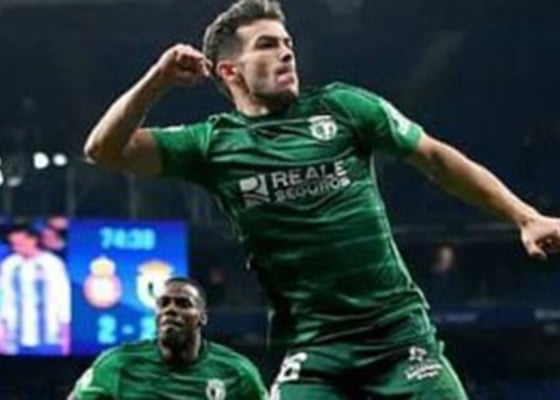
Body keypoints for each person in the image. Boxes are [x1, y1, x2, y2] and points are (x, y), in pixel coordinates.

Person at [82, 0, 560, 398]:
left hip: (400, 338)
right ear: (230, 70)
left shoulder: (344, 107)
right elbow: (103, 150)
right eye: (267, 45)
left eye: (287, 43)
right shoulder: (210, 144)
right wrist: (157, 80)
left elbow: (434, 156)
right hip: (314, 353)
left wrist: (525, 217)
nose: (286, 53)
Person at [68, 277, 268, 400]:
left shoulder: (237, 372)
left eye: (183, 304)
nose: (170, 310)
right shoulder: (118, 364)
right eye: (163, 304)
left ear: (202, 317)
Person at [0, 224, 71, 355]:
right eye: (13, 244)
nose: (17, 248)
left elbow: (63, 298)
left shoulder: (52, 263)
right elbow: (5, 299)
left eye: (20, 243)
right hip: (15, 339)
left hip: (48, 337)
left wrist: (66, 335)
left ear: (33, 240)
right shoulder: (9, 265)